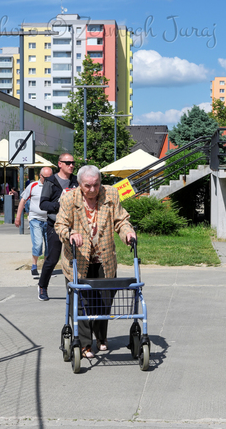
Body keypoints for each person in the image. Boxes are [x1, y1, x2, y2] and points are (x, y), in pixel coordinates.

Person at [54, 165, 136, 358]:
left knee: (104, 301)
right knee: (80, 302)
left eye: (96, 185)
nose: (92, 190)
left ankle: (101, 337)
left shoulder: (111, 194)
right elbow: (60, 225)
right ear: (80, 184)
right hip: (77, 259)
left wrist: (128, 233)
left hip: (103, 258)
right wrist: (71, 234)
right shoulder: (68, 198)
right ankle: (83, 343)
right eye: (87, 186)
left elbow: (121, 220)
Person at [38, 153, 79, 301]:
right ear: (60, 164)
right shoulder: (51, 181)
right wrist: (59, 205)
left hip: (74, 226)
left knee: (77, 258)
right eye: (68, 163)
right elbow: (43, 204)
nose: (71, 165)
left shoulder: (77, 181)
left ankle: (77, 289)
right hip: (55, 225)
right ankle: (42, 286)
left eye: (73, 163)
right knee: (53, 258)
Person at [15, 167, 53, 277]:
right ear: (40, 176)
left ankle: (45, 268)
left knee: (49, 246)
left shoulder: (53, 186)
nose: (48, 180)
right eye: (46, 177)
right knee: (38, 244)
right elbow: (23, 200)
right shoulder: (33, 186)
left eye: (50, 177)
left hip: (50, 220)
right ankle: (34, 265)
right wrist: (18, 217)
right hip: (35, 219)